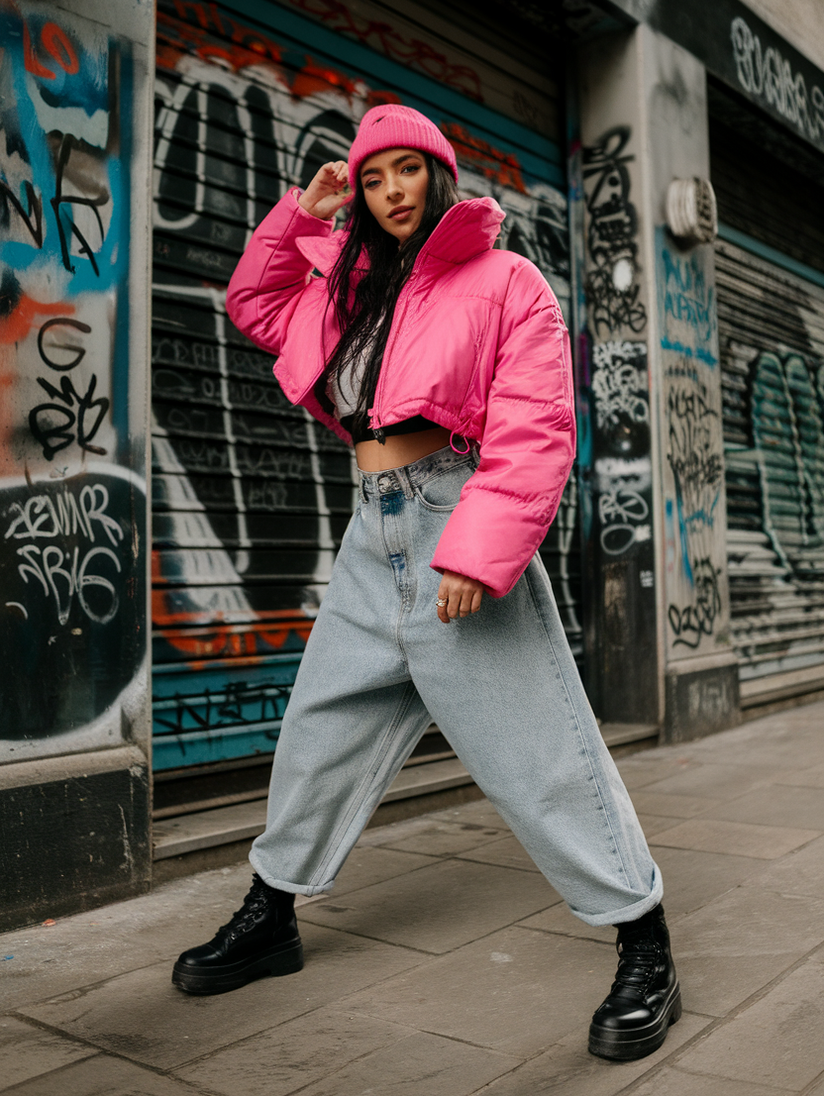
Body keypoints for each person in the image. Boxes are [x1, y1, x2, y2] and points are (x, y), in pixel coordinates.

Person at [171, 104, 680, 1062]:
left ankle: (643, 937)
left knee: (542, 752)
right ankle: (271, 914)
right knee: (319, 732)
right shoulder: (343, 283)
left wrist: (477, 553)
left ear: (438, 174)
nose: (391, 191)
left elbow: (534, 425)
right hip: (373, 532)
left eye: (407, 170)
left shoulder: (507, 281)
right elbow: (252, 303)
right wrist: (298, 212)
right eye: (372, 178)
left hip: (456, 521)